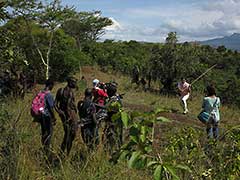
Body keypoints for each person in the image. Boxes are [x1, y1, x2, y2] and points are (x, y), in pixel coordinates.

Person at [32, 79, 56, 160]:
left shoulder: (41, 92)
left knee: (43, 132)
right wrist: (54, 117)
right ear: (50, 85)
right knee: (49, 133)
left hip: (41, 115)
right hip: (47, 116)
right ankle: (47, 151)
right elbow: (51, 107)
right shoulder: (49, 95)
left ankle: (44, 147)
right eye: (53, 85)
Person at [55, 77, 78, 157]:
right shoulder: (70, 93)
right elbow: (68, 106)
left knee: (67, 134)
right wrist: (70, 117)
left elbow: (55, 104)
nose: (75, 84)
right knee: (71, 135)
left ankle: (62, 153)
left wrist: (59, 112)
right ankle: (66, 153)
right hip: (70, 116)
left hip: (64, 116)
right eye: (74, 82)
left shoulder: (60, 90)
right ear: (70, 82)